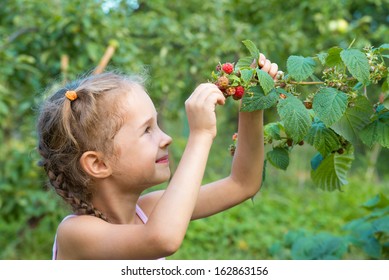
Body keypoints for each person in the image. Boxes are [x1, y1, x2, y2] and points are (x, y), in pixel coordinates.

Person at [37, 54, 278, 260]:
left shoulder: (149, 210)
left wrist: (252, 103)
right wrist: (201, 135)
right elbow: (162, 239)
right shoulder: (76, 234)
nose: (166, 138)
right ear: (98, 164)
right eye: (147, 130)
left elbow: (242, 183)